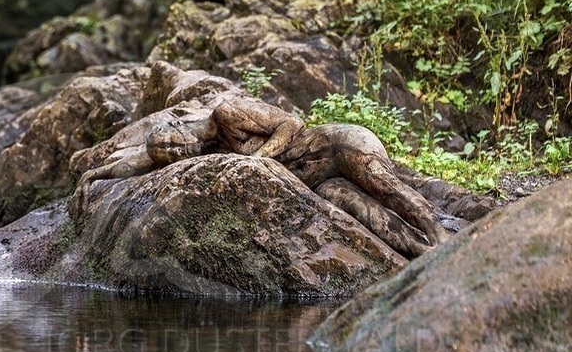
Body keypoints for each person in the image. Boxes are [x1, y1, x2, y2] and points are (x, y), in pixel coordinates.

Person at [71, 91, 448, 257]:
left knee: (389, 189)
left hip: (334, 145)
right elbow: (139, 159)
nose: (176, 151)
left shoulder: (226, 114)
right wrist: (97, 174)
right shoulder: (202, 155)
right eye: (168, 155)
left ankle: (441, 236)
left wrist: (259, 160)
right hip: (318, 182)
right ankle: (420, 252)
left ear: (181, 125)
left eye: (173, 142)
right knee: (362, 212)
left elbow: (291, 123)